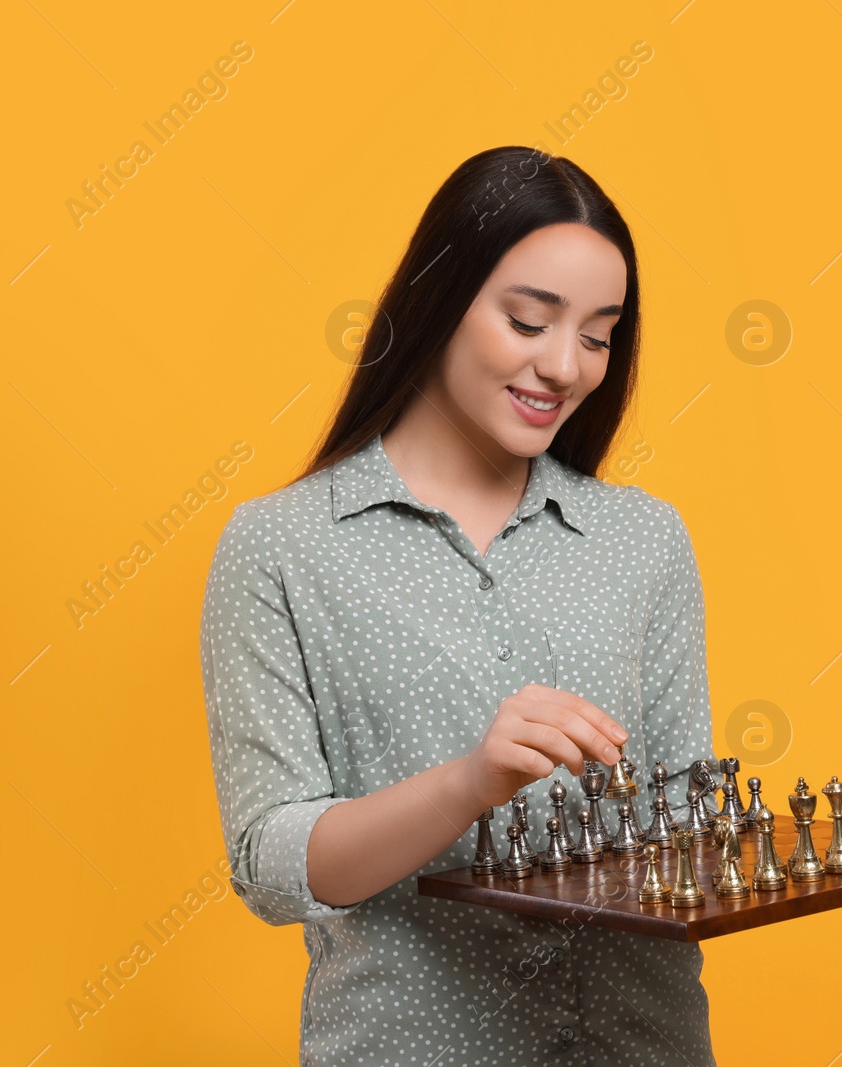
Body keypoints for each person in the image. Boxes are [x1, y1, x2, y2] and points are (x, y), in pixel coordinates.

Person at [199, 145, 717, 1065]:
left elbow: (687, 818)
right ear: (439, 301)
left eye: (598, 336)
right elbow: (273, 865)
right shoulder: (282, 546)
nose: (565, 366)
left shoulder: (645, 538)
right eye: (528, 321)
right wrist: (469, 785)